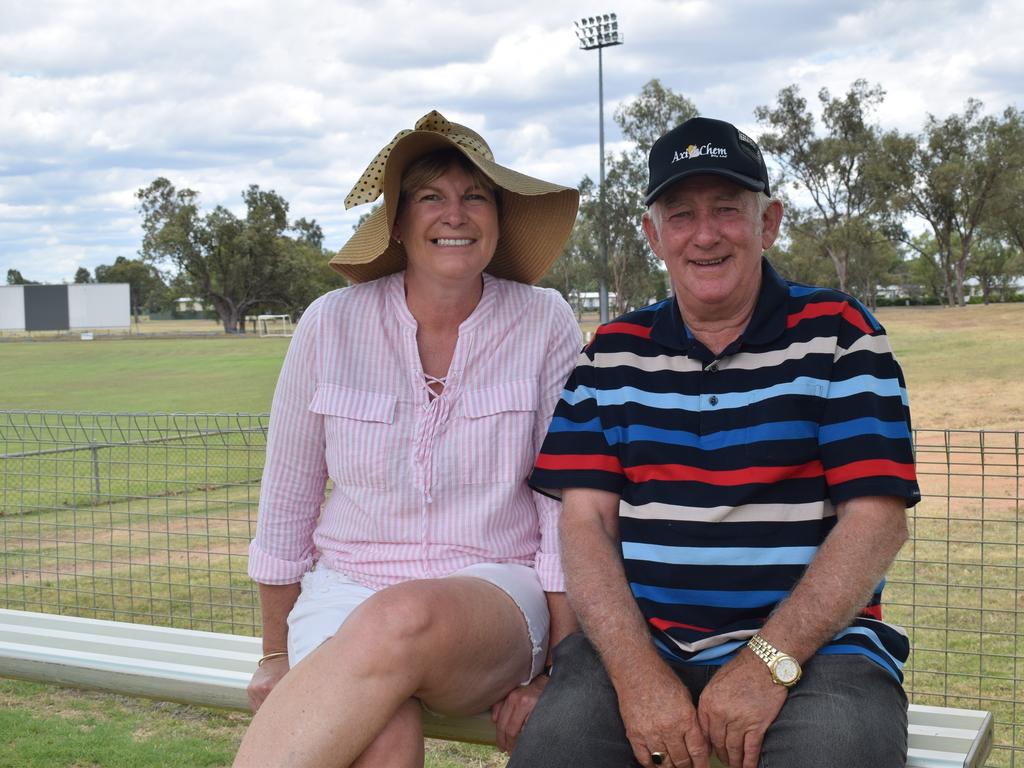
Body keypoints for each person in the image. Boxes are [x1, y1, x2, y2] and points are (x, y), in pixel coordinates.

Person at [510, 116, 921, 768]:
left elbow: (877, 523)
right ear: (653, 234)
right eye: (681, 215)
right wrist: (636, 672)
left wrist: (767, 661)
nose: (705, 234)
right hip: (644, 645)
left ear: (768, 223)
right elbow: (584, 525)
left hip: (818, 655)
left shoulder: (842, 335)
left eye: (728, 210)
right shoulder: (613, 353)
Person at [233, 110, 582, 768]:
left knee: (400, 618)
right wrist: (276, 655)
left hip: (494, 596)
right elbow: (287, 501)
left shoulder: (544, 321)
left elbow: (562, 510)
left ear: (499, 219)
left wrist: (557, 673)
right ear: (396, 222)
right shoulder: (329, 325)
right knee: (381, 735)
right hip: (343, 594)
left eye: (475, 196)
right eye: (431, 197)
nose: (455, 214)